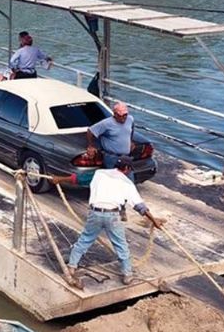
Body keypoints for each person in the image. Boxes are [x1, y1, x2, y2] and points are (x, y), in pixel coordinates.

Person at [49, 156, 162, 288]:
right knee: (120, 244)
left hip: (95, 213)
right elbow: (140, 207)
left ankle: (72, 267)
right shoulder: (127, 183)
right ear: (126, 169)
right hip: (113, 215)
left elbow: (77, 179)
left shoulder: (99, 173)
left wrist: (59, 179)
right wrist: (154, 221)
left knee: (85, 239)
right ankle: (127, 274)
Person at [87, 102, 134, 171]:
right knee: (113, 178)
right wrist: (91, 146)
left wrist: (130, 141)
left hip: (125, 157)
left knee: (128, 178)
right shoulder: (106, 123)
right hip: (112, 157)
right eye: (120, 115)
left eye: (125, 115)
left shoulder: (130, 119)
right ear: (115, 114)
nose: (123, 118)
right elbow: (90, 131)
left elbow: (132, 128)